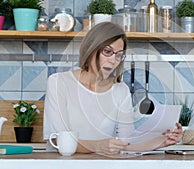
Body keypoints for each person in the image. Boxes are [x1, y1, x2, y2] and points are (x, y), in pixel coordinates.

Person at [43, 22, 183, 155]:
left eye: (119, 55)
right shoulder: (58, 83)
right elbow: (59, 141)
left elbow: (126, 143)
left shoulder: (120, 90)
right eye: (107, 51)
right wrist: (98, 146)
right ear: (91, 49)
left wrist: (162, 141)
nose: (113, 60)